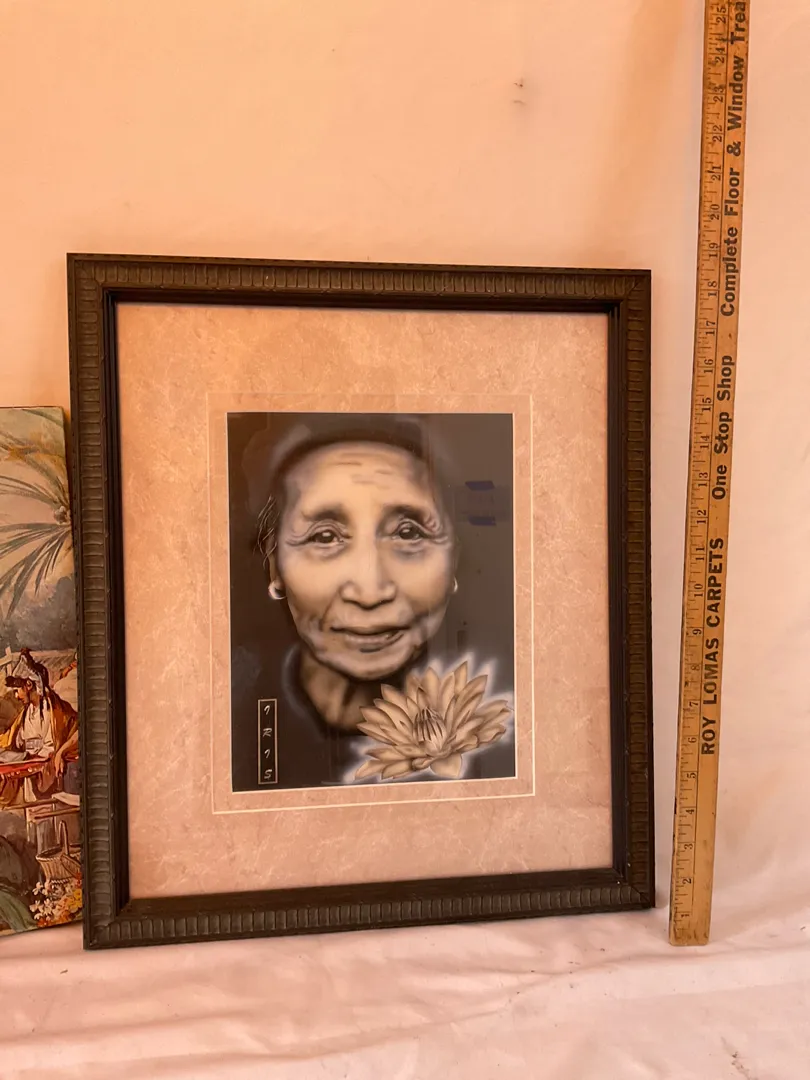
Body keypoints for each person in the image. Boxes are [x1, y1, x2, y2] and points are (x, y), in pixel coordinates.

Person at [231, 414, 515, 789]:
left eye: (408, 532)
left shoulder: (504, 731)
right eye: (324, 537)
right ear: (274, 564)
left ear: (454, 560)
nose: (370, 592)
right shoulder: (227, 715)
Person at [0, 649, 79, 805]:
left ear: (29, 685)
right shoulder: (26, 713)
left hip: (48, 772)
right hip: (28, 769)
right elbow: (11, 741)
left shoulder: (58, 711)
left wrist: (61, 752)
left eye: (17, 691)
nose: (16, 696)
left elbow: (79, 731)